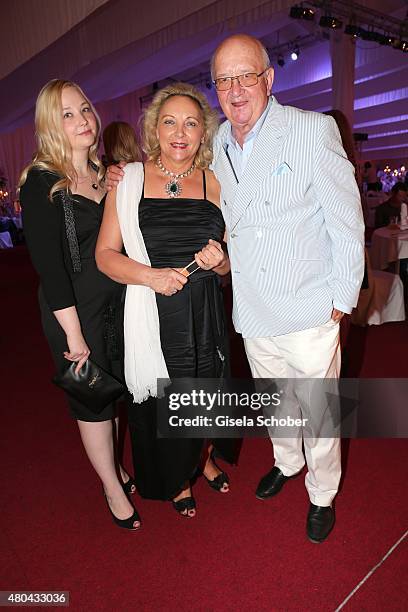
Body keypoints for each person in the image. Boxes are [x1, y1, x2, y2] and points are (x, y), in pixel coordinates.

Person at [209, 34, 365, 543]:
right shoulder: (216, 141)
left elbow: (347, 221)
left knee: (319, 414)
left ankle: (322, 493)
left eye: (245, 76)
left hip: (308, 306)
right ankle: (286, 462)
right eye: (223, 80)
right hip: (253, 309)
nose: (235, 90)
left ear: (268, 79)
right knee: (276, 403)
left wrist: (342, 299)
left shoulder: (311, 130)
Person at [96, 83, 237, 518]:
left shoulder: (219, 183)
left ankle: (204, 456)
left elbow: (232, 267)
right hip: (152, 311)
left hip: (205, 310)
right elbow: (104, 256)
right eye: (170, 121)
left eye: (191, 123)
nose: (180, 132)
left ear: (203, 133)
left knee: (208, 391)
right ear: (154, 129)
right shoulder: (129, 180)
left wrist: (219, 263)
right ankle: (178, 476)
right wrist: (151, 277)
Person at [19, 79, 140, 531]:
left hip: (113, 306)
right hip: (72, 314)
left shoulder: (103, 172)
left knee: (111, 396)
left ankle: (116, 469)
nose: (82, 120)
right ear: (51, 124)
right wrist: (73, 335)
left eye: (85, 109)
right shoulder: (41, 183)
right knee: (93, 404)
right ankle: (111, 486)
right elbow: (51, 270)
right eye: (67, 114)